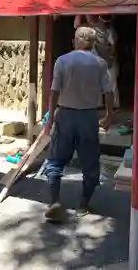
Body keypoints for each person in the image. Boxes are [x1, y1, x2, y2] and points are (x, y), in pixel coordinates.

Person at [43, 26, 114, 222]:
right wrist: (109, 115)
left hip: (65, 114)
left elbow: (54, 91)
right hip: (89, 117)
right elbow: (109, 92)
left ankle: (54, 201)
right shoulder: (99, 63)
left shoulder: (63, 61)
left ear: (74, 41)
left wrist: (50, 119)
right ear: (93, 44)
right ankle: (83, 204)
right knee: (90, 162)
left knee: (56, 159)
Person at [74, 14, 120, 108]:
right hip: (95, 59)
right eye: (88, 16)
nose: (90, 18)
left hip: (108, 59)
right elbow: (76, 26)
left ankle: (114, 104)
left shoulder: (107, 27)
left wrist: (111, 57)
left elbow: (113, 45)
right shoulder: (87, 28)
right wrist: (78, 12)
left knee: (111, 83)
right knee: (95, 81)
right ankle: (98, 103)